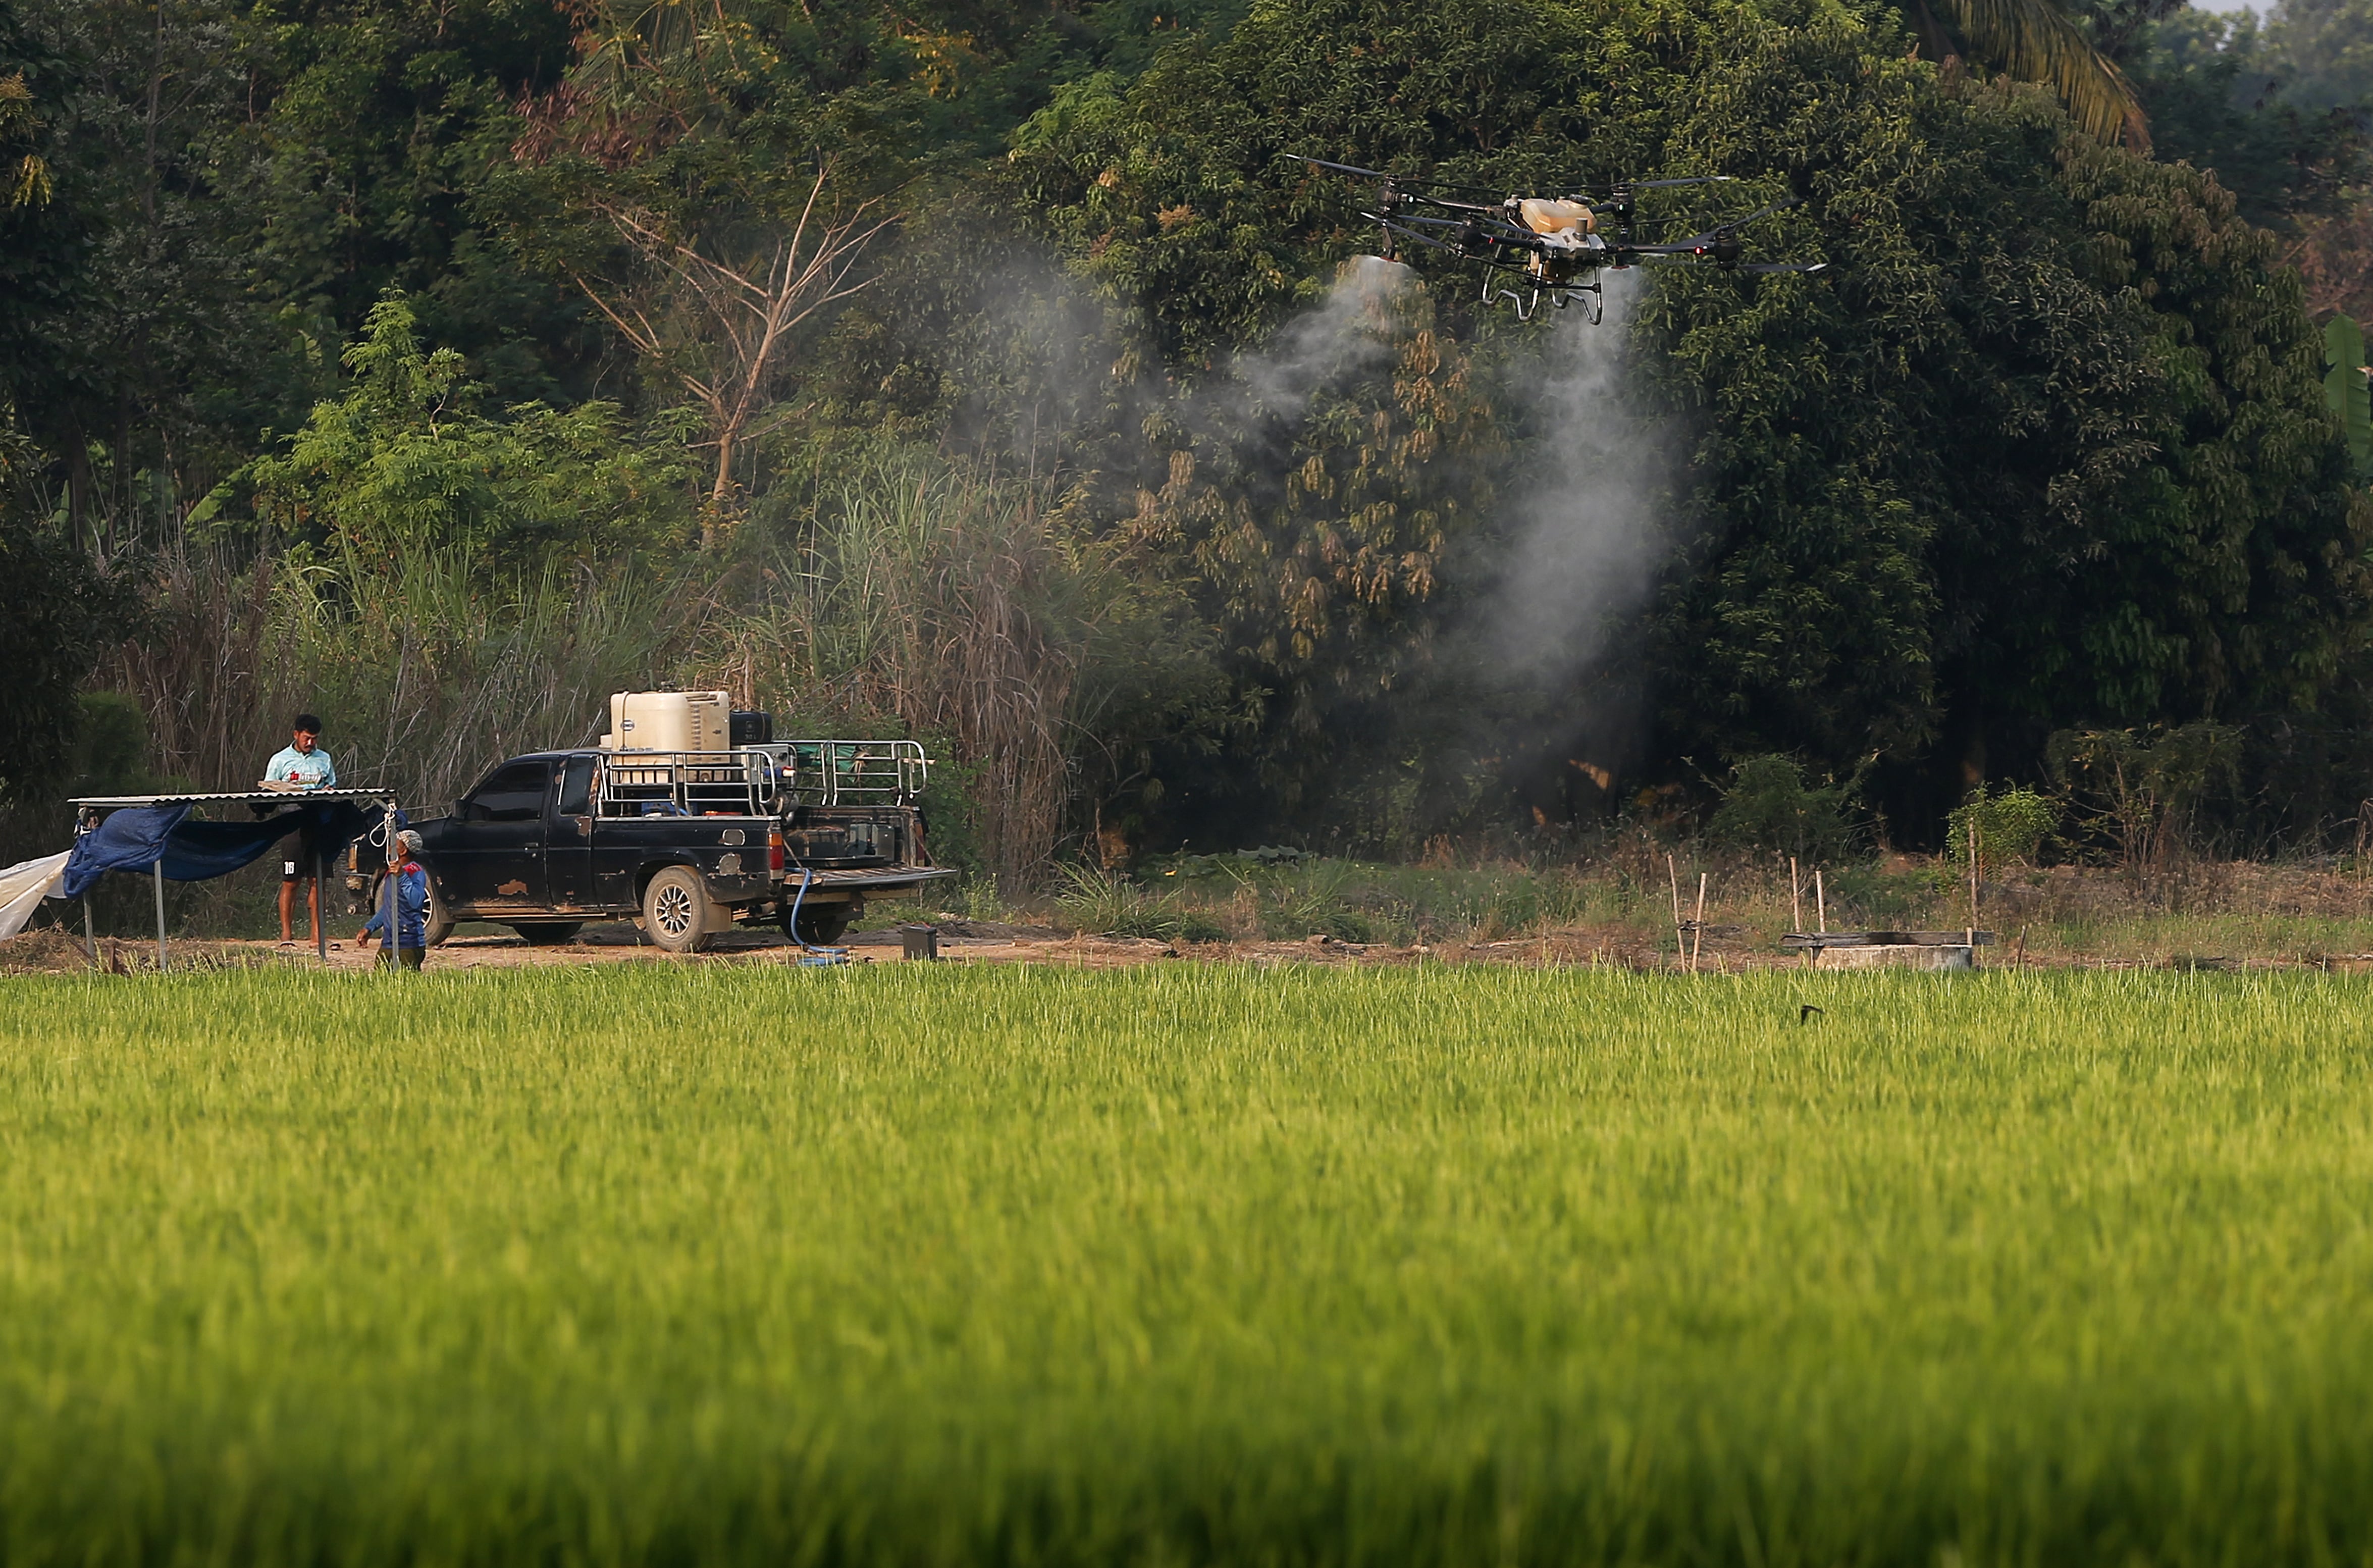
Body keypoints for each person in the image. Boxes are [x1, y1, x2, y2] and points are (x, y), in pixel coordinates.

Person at [268, 714, 339, 946]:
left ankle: (317, 935)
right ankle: (286, 934)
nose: (311, 743)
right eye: (307, 738)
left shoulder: (324, 759)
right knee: (291, 881)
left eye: (315, 739)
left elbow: (332, 785)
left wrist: (328, 790)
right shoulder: (280, 760)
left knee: (318, 880)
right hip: (292, 822)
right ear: (296, 735)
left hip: (318, 822)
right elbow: (268, 788)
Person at [357, 830, 430, 971]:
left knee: (408, 981)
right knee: (381, 976)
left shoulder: (415, 872)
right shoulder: (390, 873)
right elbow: (389, 907)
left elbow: (416, 901)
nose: (389, 848)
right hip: (389, 941)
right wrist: (370, 928)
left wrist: (402, 877)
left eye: (394, 845)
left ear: (403, 851)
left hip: (409, 942)